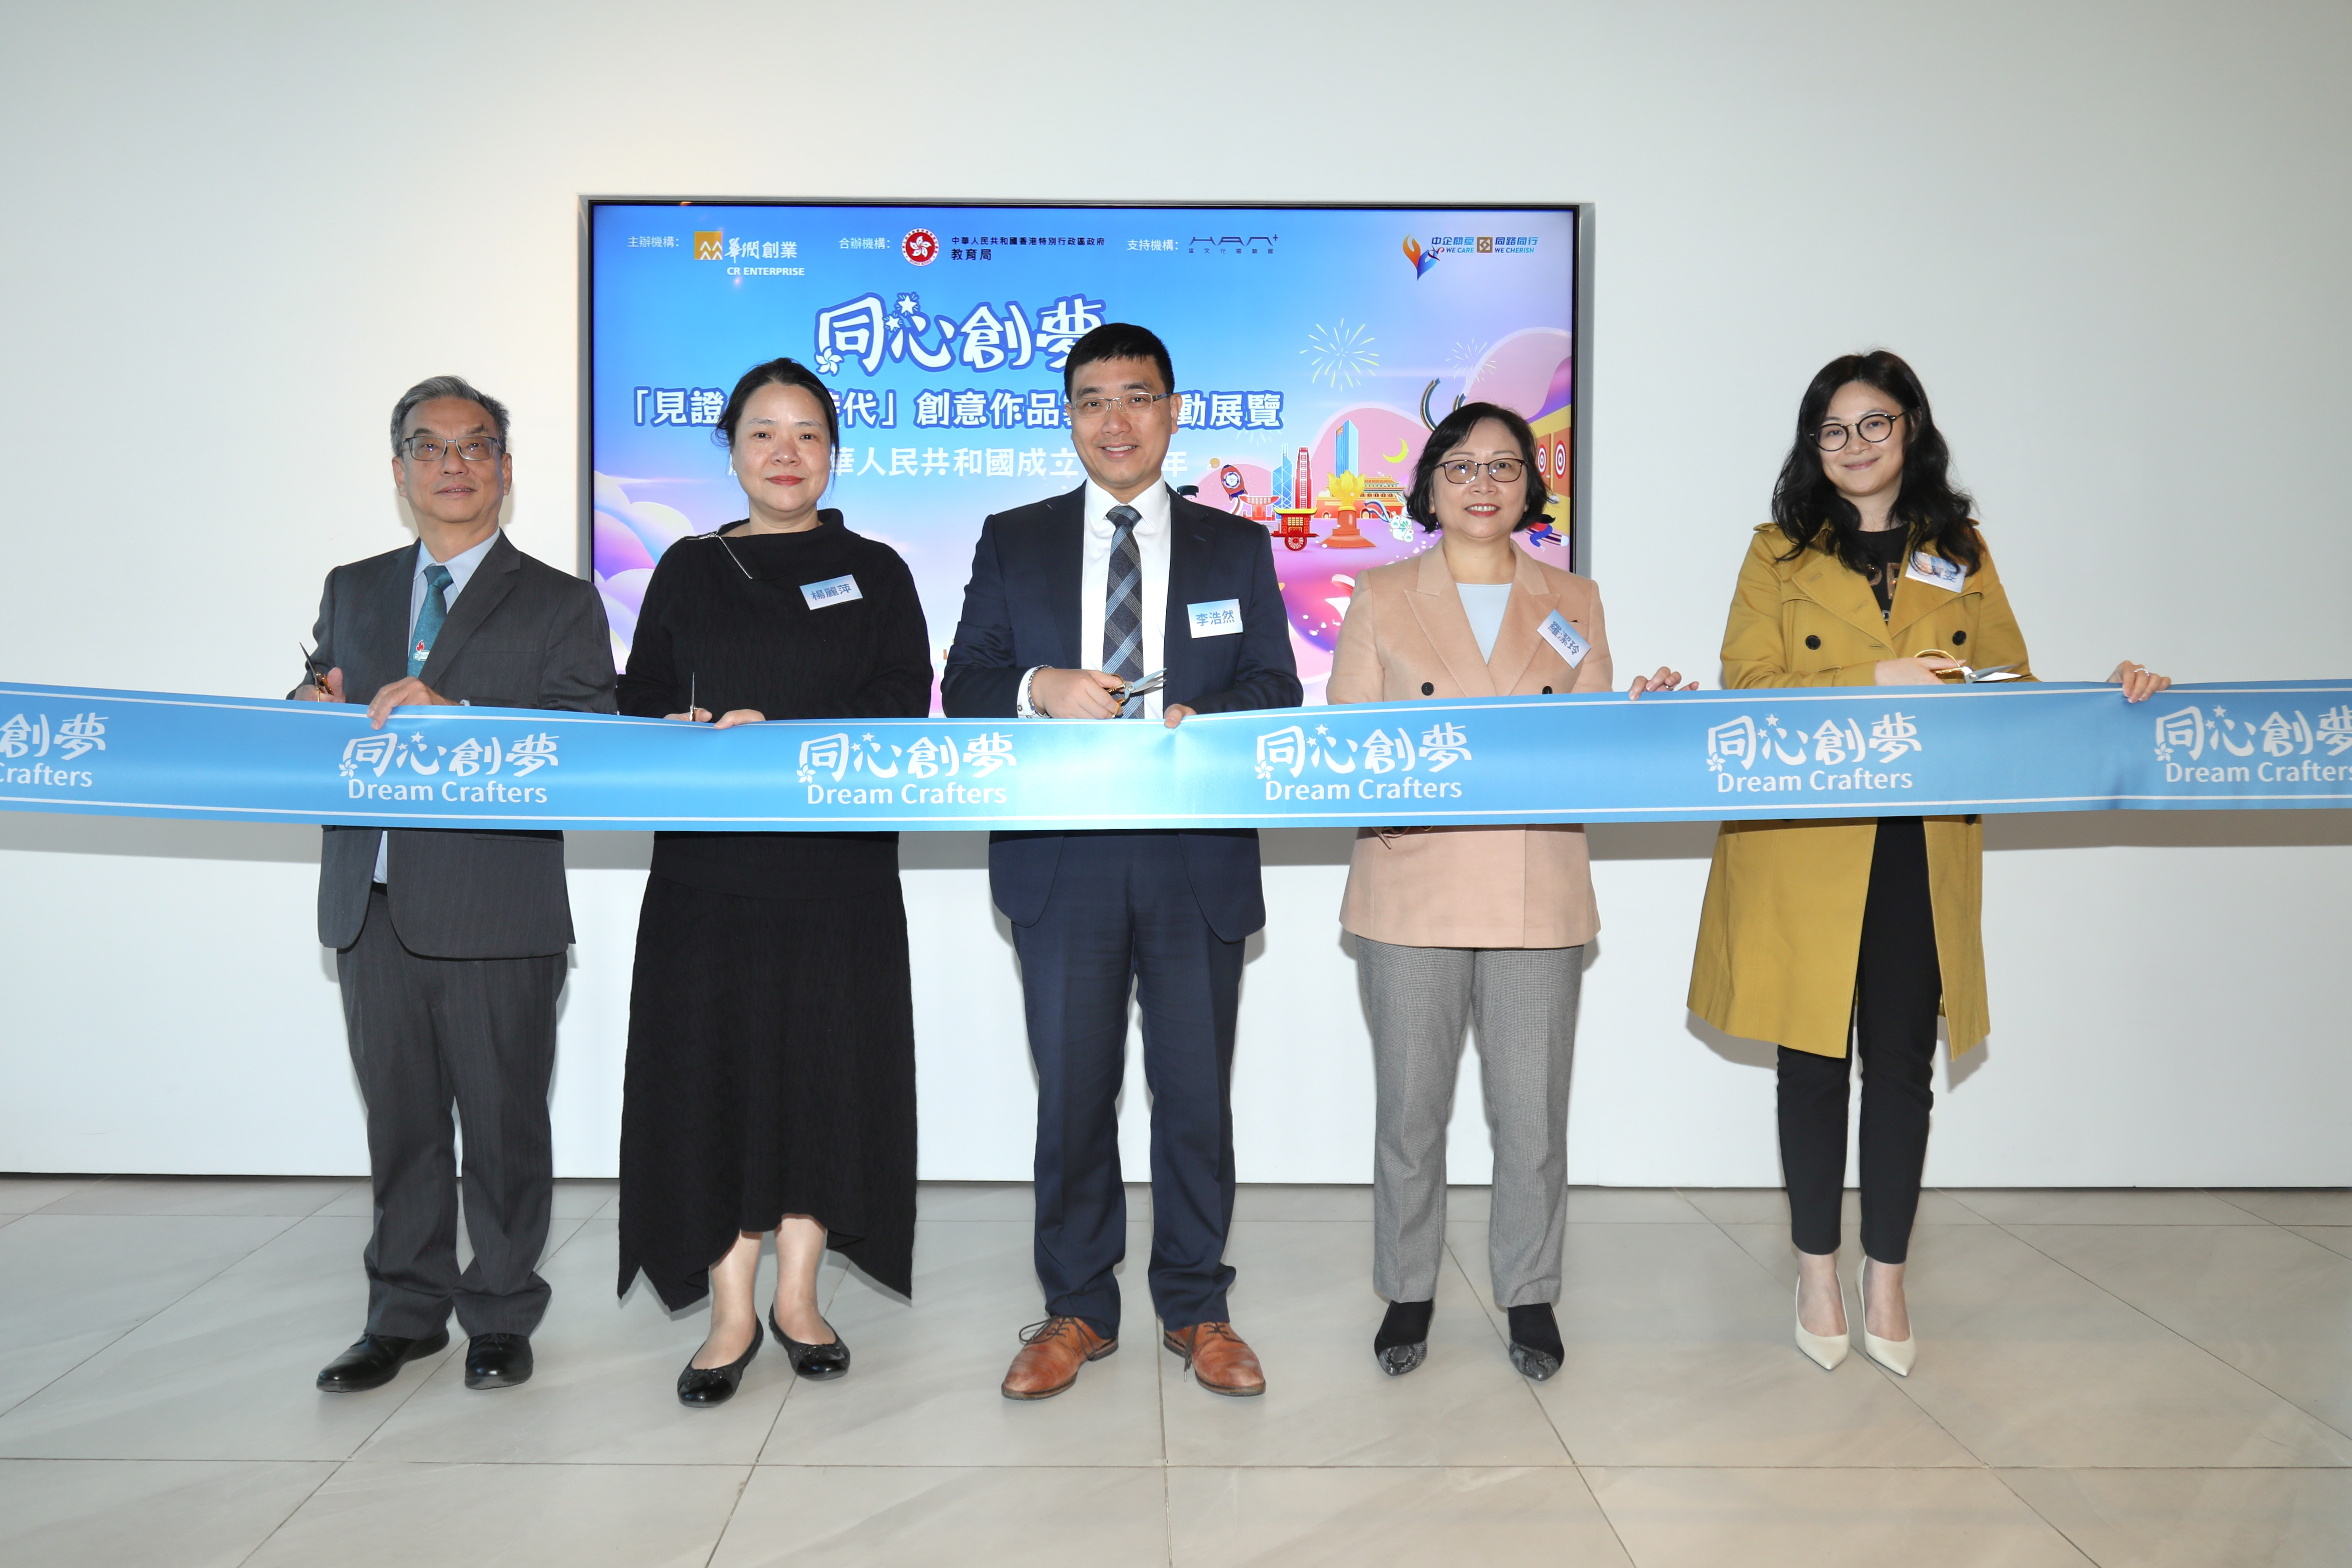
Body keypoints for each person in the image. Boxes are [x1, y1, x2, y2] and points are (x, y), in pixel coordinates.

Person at [1686, 350, 2170, 1376]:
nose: (1854, 444)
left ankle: (1886, 1275)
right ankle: (1816, 1271)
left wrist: (2111, 695)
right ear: (1812, 446)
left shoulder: (1960, 549)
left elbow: (2009, 687)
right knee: (1810, 1063)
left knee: (1901, 1065)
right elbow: (1747, 685)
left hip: (1916, 837)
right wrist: (1877, 676)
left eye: (1874, 422)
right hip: (1802, 840)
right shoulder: (1775, 553)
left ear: (1910, 428)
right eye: (1832, 429)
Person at [942, 323, 1302, 1400]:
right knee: (1072, 1097)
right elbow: (965, 683)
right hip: (1064, 856)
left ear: (1172, 411)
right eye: (1092, 399)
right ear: (1069, 417)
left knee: (1193, 1098)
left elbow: (1276, 687)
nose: (1115, 420)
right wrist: (1037, 687)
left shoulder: (1235, 546)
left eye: (1136, 397)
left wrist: (1208, 714)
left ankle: (1197, 1306)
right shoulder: (1013, 539)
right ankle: (1075, 1309)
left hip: (1194, 855)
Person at [1327, 402, 1691, 1381]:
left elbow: (1594, 748)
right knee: (1410, 1115)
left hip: (1536, 882)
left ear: (1531, 484)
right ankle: (1407, 1286)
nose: (1481, 483)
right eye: (1459, 465)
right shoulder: (1380, 594)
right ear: (1429, 486)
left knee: (1530, 1117)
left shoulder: (1574, 599)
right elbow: (1346, 744)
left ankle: (1529, 1292)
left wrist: (1640, 719)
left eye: (1502, 465)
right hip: (1412, 879)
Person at [614, 358, 931, 1406]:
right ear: (732, 449)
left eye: (806, 434)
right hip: (707, 873)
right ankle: (731, 1311)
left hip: (836, 871)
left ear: (834, 451)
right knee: (714, 1076)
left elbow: (902, 703)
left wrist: (782, 734)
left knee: (824, 1077)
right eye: (762, 432)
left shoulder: (876, 570)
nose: (784, 453)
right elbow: (639, 701)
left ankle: (798, 1298)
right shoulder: (687, 568)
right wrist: (674, 728)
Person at [293, 376, 616, 1394]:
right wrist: (305, 704)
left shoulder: (562, 601)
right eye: (428, 448)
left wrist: (458, 716)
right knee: (401, 1127)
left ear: (505, 470)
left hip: (496, 904)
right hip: (371, 901)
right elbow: (319, 700)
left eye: (475, 446)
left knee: (505, 1126)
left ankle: (502, 1314)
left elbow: (589, 742)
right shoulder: (353, 587)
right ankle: (402, 1315)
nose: (452, 465)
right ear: (399, 471)